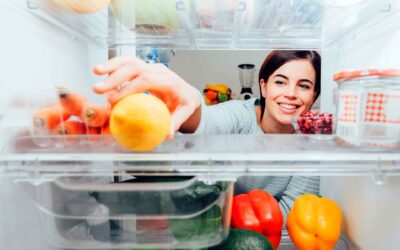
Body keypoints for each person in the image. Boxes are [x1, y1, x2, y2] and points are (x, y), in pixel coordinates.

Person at [92, 50, 321, 220]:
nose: (290, 94)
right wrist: (190, 102)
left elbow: (295, 214)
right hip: (218, 225)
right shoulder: (241, 114)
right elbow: (207, 122)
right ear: (263, 86)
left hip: (263, 234)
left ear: (314, 95)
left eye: (304, 86)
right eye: (280, 82)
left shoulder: (312, 141)